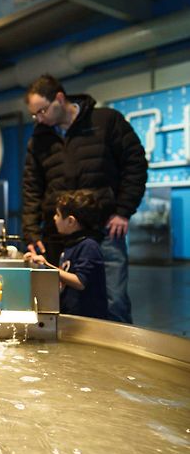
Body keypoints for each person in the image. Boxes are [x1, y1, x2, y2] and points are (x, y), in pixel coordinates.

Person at [22, 74, 147, 323]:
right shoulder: (40, 139)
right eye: (34, 115)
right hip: (59, 238)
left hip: (105, 231)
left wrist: (123, 210)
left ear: (59, 98)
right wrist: (32, 231)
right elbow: (32, 187)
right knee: (65, 305)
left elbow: (135, 164)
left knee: (114, 301)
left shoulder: (107, 121)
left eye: (42, 111)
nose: (39, 119)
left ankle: (119, 361)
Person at [24, 190, 109, 320]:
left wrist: (47, 266)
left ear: (70, 221)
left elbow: (80, 281)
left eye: (57, 215)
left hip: (87, 321)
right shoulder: (72, 244)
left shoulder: (89, 246)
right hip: (72, 316)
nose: (54, 218)